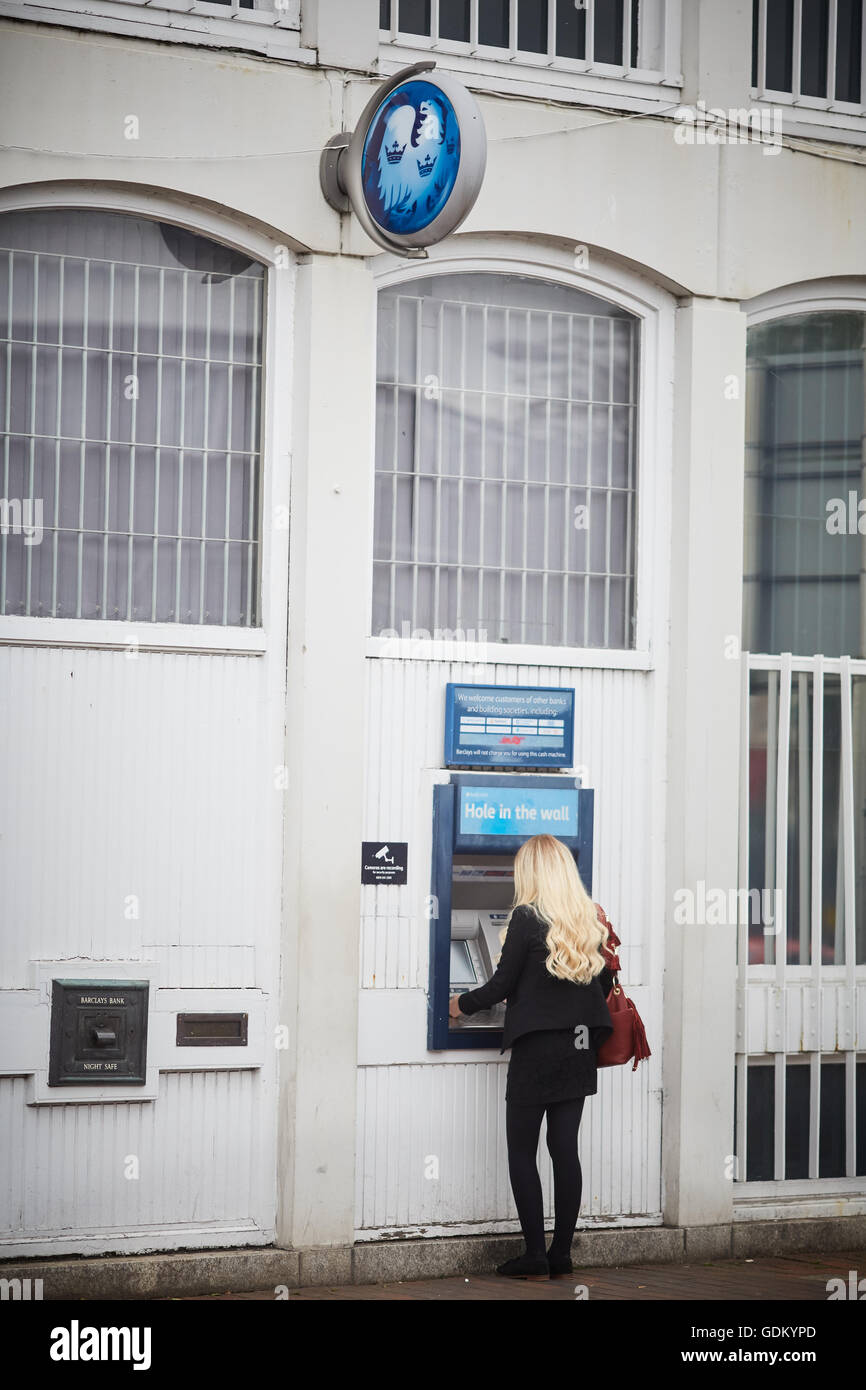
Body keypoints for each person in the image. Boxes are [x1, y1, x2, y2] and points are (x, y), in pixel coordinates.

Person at [449, 833, 615, 1280]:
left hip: (538, 1049)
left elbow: (500, 986)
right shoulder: (586, 919)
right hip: (578, 1047)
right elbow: (602, 987)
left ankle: (535, 1256)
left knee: (522, 1151)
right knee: (565, 1150)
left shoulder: (525, 917)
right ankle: (562, 1254)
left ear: (532, 872)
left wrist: (457, 1005)